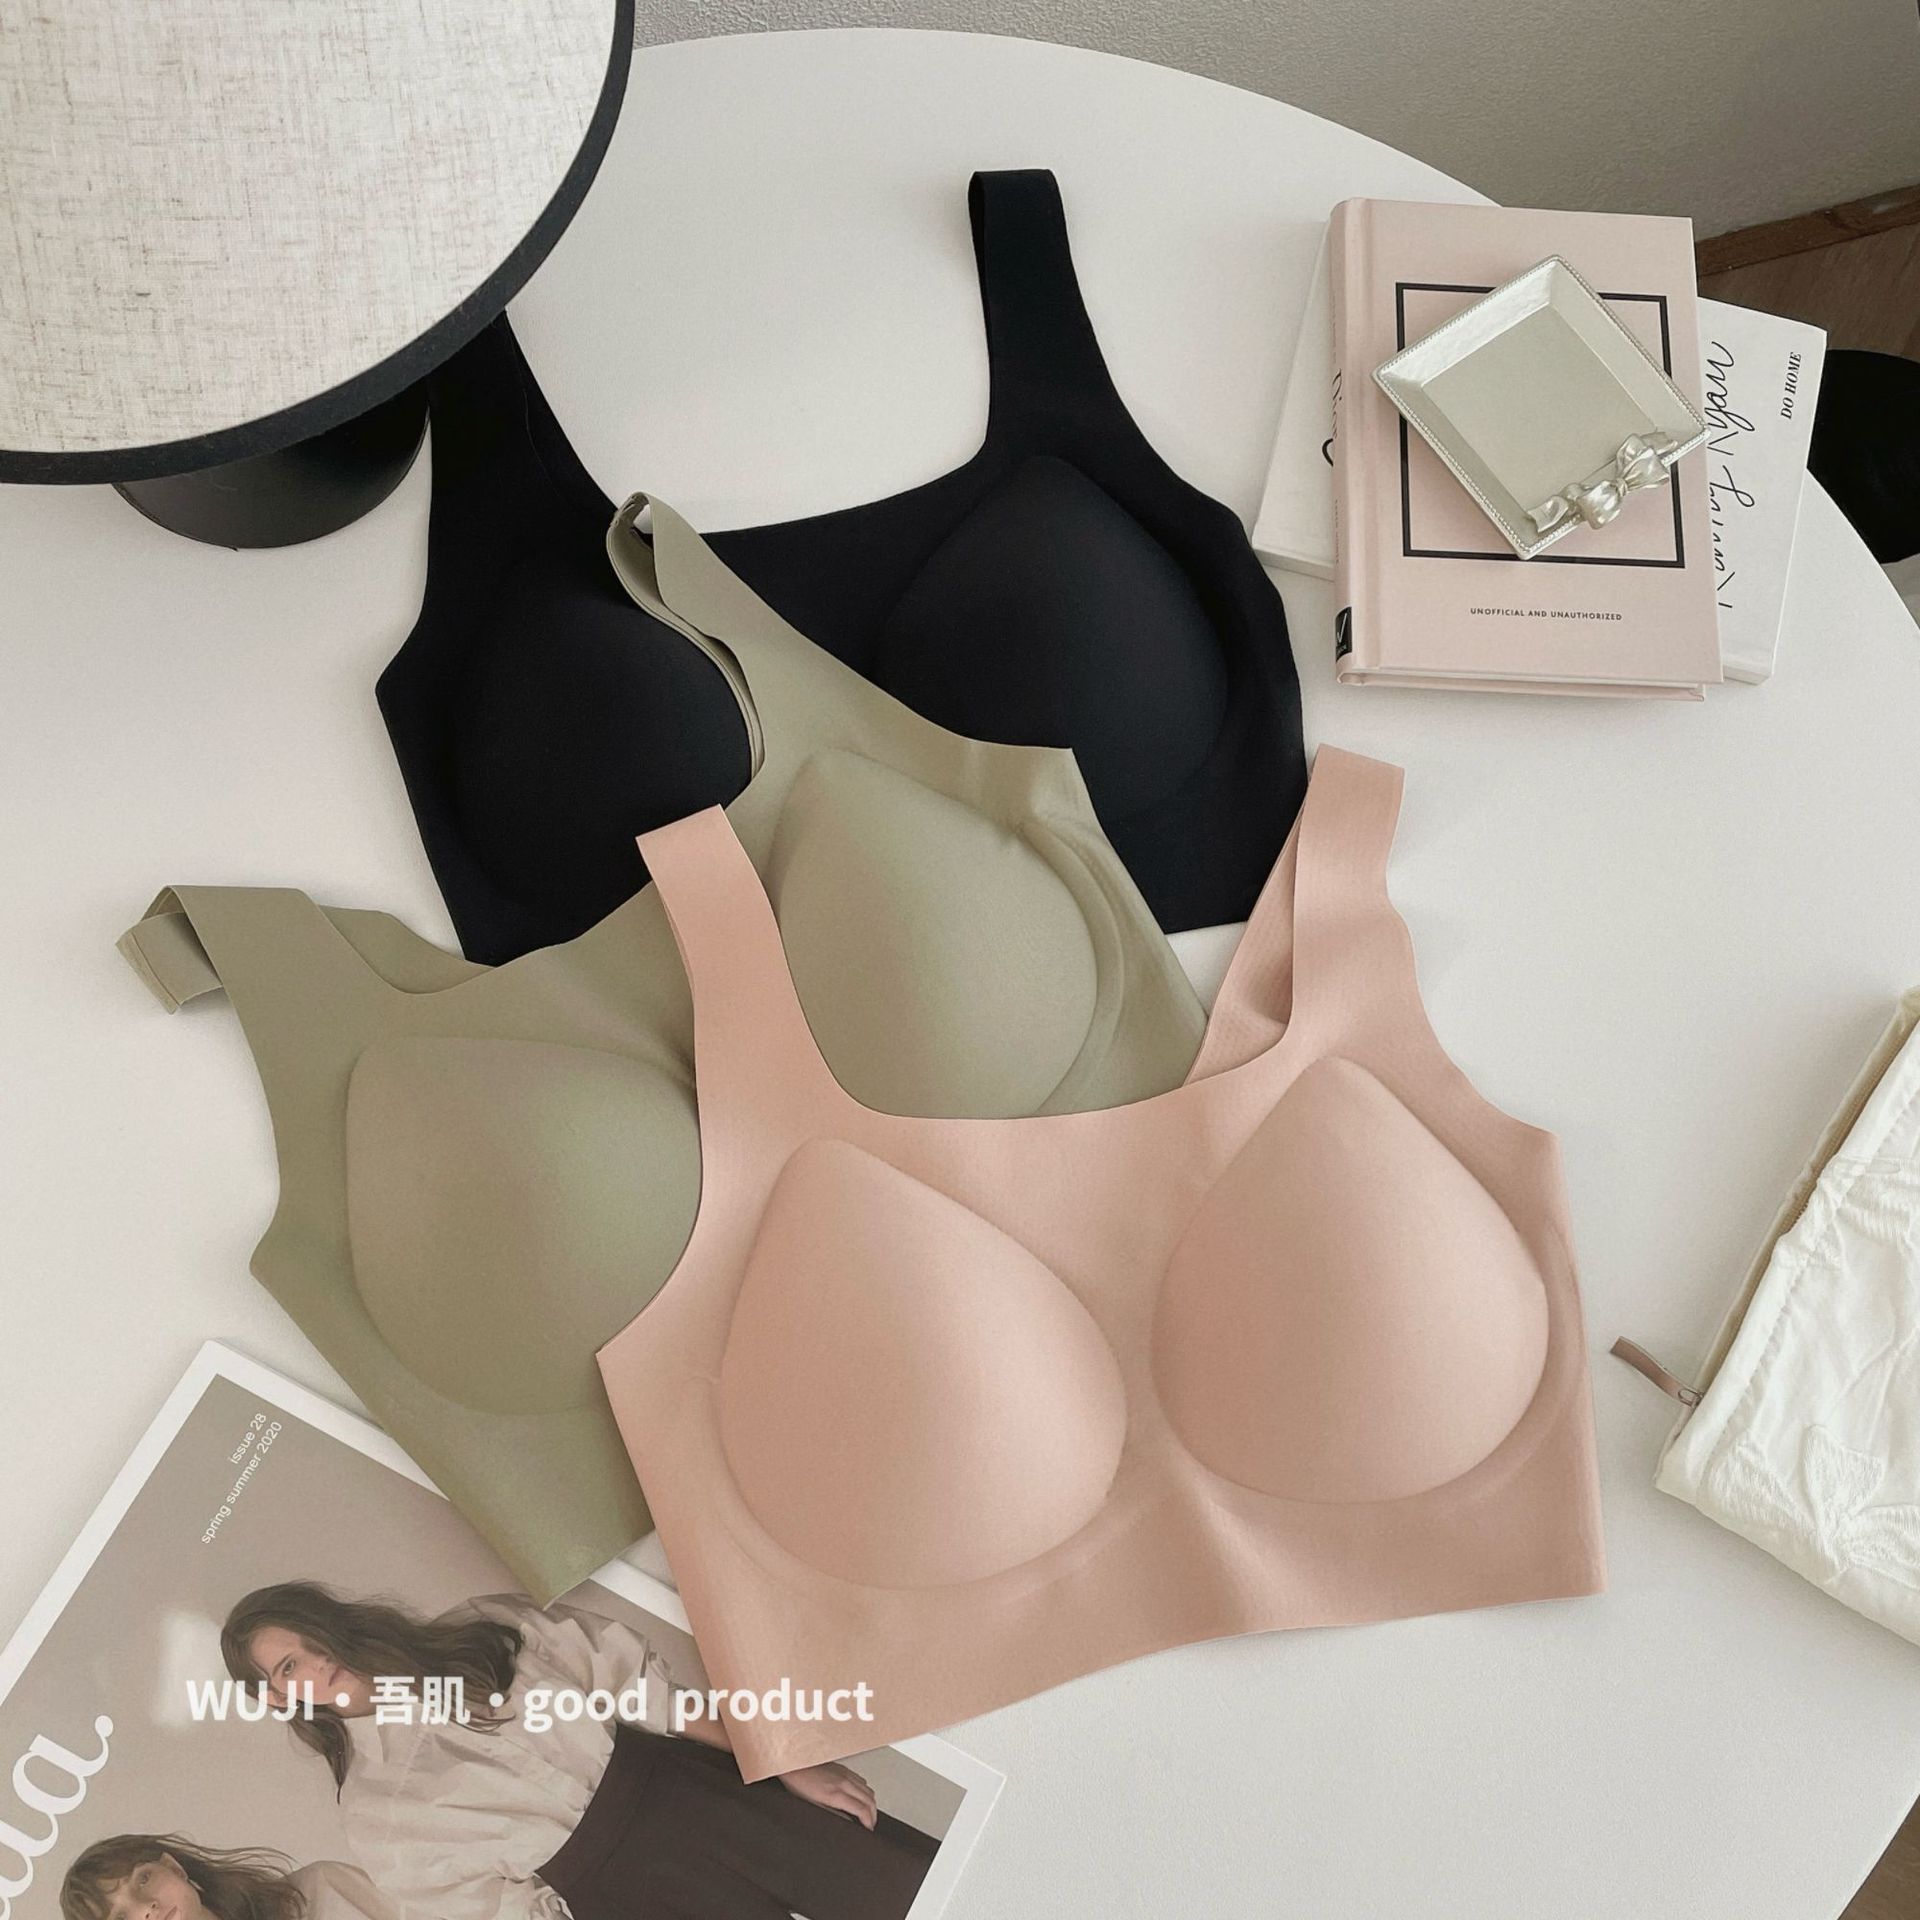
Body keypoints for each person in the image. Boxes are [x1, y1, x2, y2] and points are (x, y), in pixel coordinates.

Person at [219, 1582, 936, 1920]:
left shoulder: (478, 1632)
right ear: (278, 1699)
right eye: (287, 1668)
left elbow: (643, 1689)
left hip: (696, 1790)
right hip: (622, 1897)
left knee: (910, 1890)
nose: (316, 1663)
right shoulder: (377, 1815)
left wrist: (776, 1755)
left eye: (310, 1640)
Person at [60, 1834, 392, 1920]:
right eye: (120, 1917)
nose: (146, 1907)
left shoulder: (322, 1889)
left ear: (173, 1867)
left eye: (142, 1879)